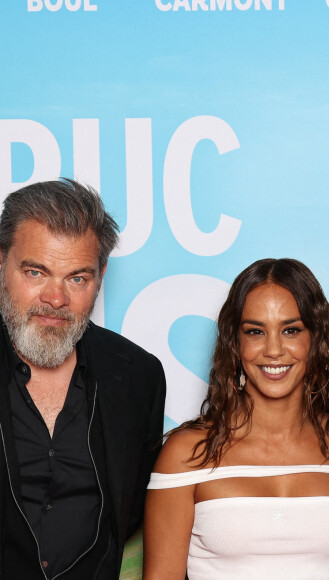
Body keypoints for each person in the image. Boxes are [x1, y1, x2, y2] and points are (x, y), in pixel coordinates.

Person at [143, 258, 329, 579]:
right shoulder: (187, 454)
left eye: (290, 330)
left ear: (314, 339)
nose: (273, 349)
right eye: (256, 331)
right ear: (236, 343)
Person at [0, 179, 166, 579]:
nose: (56, 299)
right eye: (36, 272)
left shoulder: (138, 376)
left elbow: (130, 514)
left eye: (77, 278)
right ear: (1, 261)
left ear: (101, 274)